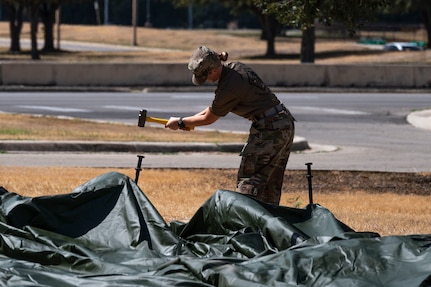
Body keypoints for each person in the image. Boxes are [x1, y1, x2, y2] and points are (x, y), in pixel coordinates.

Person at [165, 46, 295, 206]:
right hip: (283, 124)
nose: (205, 80)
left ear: (213, 70)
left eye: (204, 76)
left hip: (270, 129)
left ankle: (247, 225)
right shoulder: (236, 69)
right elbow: (212, 110)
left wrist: (179, 122)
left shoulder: (229, 86)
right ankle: (267, 226)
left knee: (248, 181)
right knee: (269, 183)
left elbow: (209, 118)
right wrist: (185, 120)